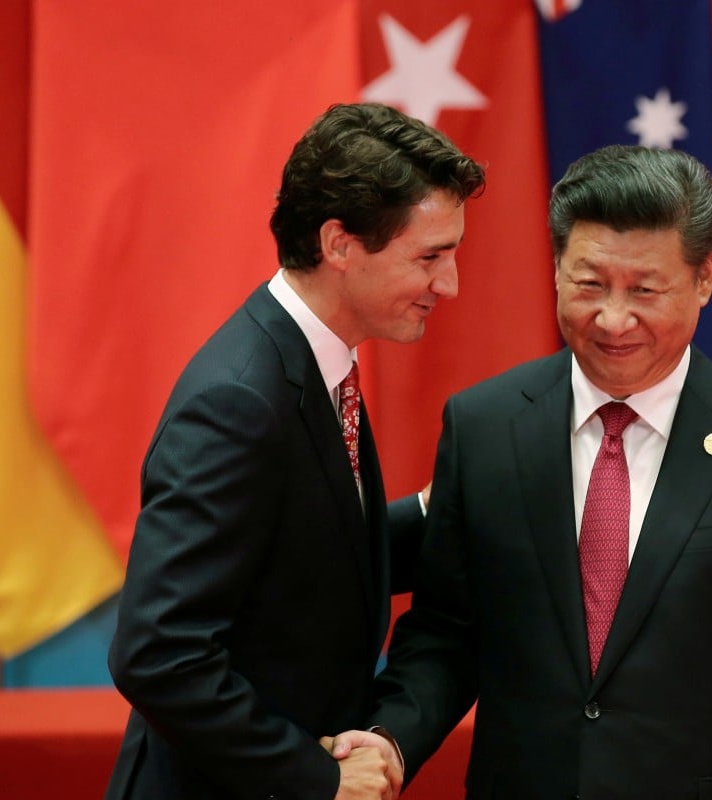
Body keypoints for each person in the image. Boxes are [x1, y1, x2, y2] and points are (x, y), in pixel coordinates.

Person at [335, 144, 712, 798]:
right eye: (589, 284)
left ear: (703, 279)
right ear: (557, 269)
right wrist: (389, 740)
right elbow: (447, 636)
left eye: (645, 290)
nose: (614, 320)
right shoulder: (485, 428)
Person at [104, 102, 485, 800]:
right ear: (338, 243)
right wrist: (314, 776)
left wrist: (440, 512)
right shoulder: (240, 401)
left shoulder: (313, 362)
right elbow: (159, 652)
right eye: (429, 257)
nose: (449, 284)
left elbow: (307, 561)